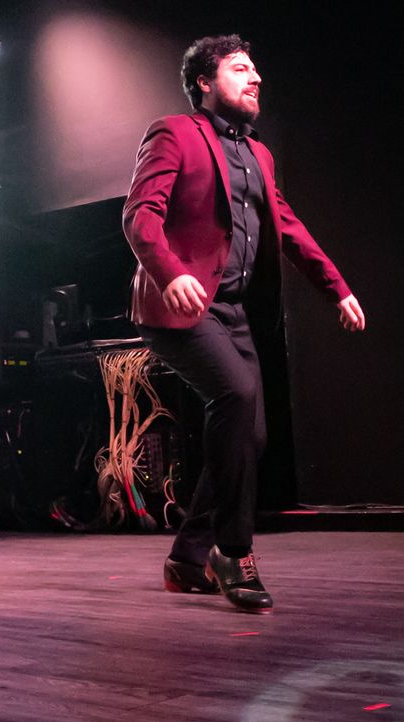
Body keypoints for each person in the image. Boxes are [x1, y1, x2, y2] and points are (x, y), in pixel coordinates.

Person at [122, 34, 364, 613]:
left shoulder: (259, 154)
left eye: (255, 69)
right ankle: (233, 551)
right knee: (234, 394)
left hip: (231, 311)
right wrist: (169, 272)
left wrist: (337, 287)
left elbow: (288, 226)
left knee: (248, 437)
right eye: (239, 68)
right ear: (204, 82)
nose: (255, 77)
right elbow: (139, 214)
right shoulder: (174, 132)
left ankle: (187, 558)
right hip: (180, 304)